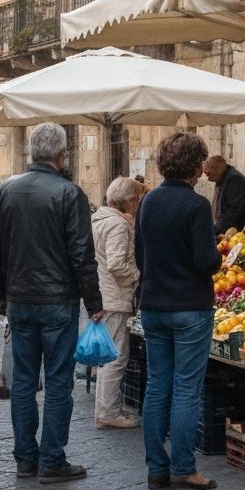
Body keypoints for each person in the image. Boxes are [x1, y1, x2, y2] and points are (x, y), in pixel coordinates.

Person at [0, 123, 103, 483]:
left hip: (20, 300)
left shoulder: (6, 192)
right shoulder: (70, 193)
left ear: (31, 153)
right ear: (61, 155)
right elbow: (82, 254)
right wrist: (94, 300)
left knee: (23, 381)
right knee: (57, 381)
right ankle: (52, 459)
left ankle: (25, 459)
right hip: (57, 301)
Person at [136, 131, 222, 490]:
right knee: (187, 388)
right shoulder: (196, 205)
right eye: (201, 161)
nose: (204, 168)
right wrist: (216, 257)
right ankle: (184, 468)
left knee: (157, 386)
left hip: (154, 305)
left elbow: (140, 255)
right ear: (195, 165)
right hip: (189, 307)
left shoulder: (148, 201)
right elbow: (206, 260)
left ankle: (157, 468)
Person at [91, 176, 143, 429]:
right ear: (130, 201)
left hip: (104, 294)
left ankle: (105, 409)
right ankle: (108, 413)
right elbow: (116, 264)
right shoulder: (118, 225)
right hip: (115, 297)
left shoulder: (99, 219)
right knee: (116, 357)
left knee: (108, 357)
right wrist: (138, 274)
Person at [204, 155, 245, 235]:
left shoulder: (234, 180)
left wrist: (213, 231)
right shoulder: (223, 178)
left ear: (219, 168)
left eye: (209, 173)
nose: (208, 178)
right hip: (235, 230)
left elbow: (233, 213)